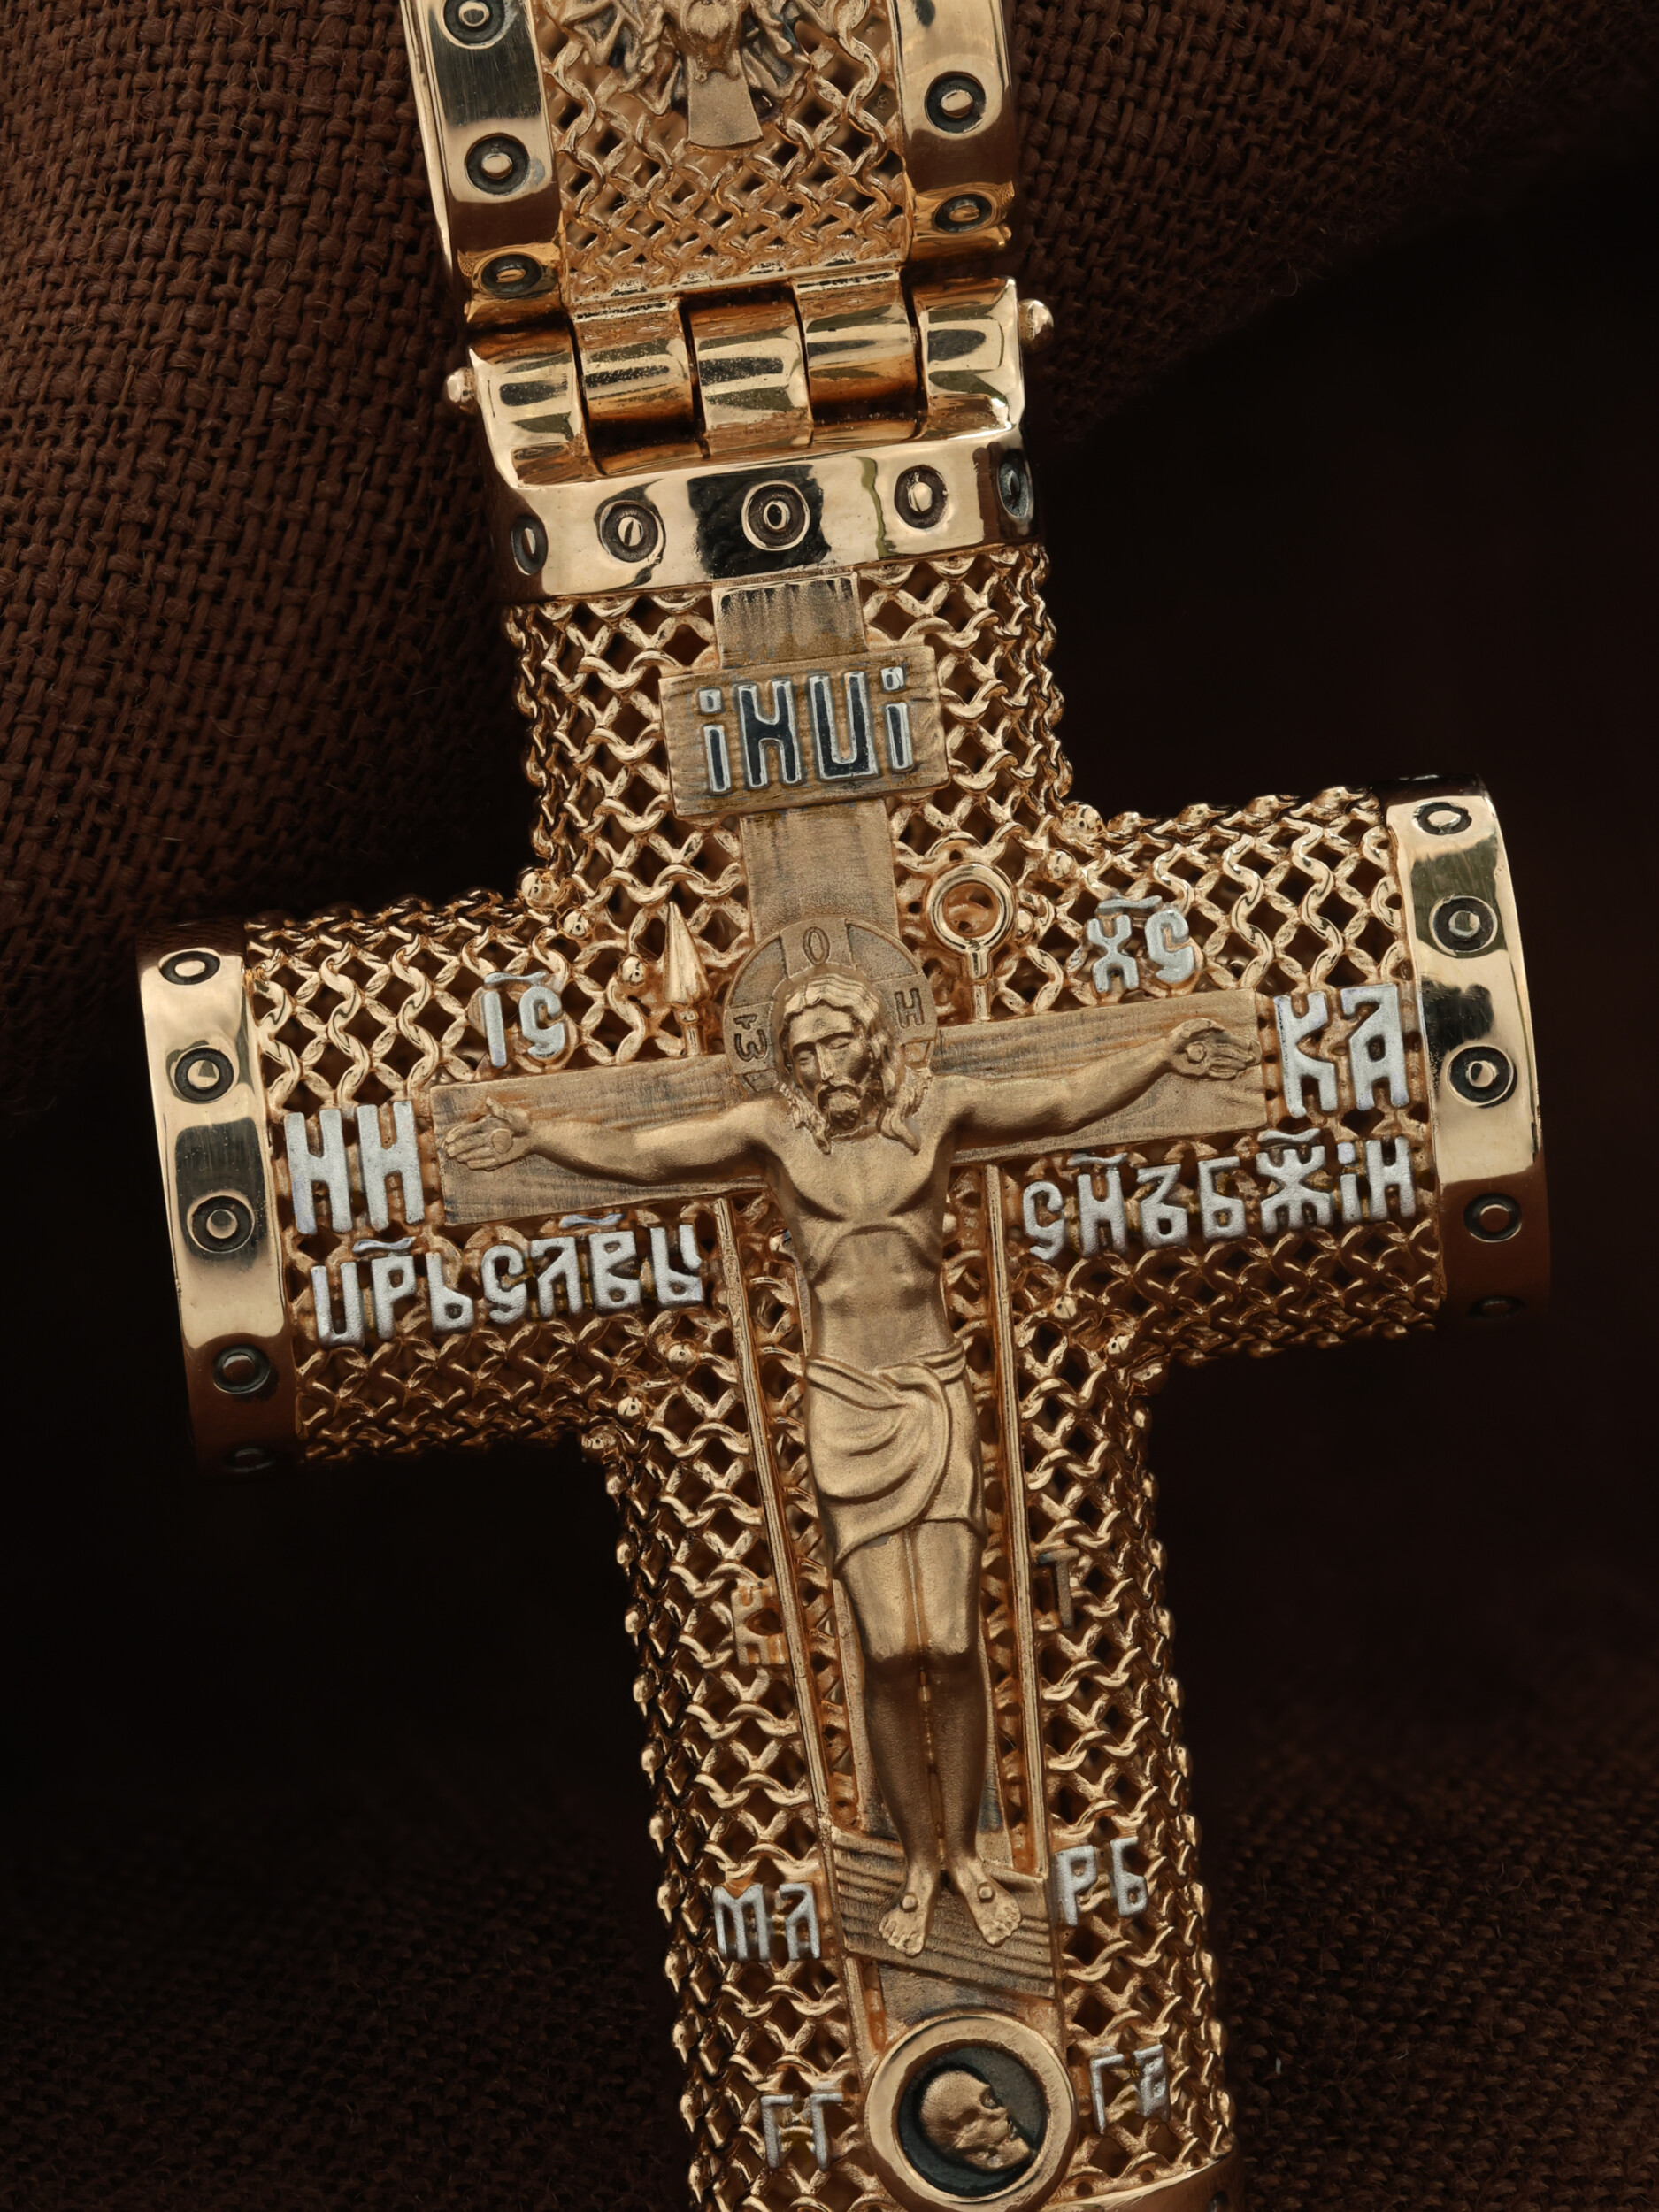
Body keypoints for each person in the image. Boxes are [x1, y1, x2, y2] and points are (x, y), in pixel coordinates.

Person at [444, 963, 1250, 1955]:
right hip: (843, 1402)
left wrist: (1163, 1052)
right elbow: (643, 1154)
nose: (823, 1065)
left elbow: (1060, 1098)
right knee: (887, 1648)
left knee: (950, 1642)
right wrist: (534, 1134)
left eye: (836, 1043)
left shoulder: (940, 1109)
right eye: (803, 1052)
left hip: (932, 1393)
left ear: (874, 1044)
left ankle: (966, 1855)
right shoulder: (775, 1135)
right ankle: (916, 1860)